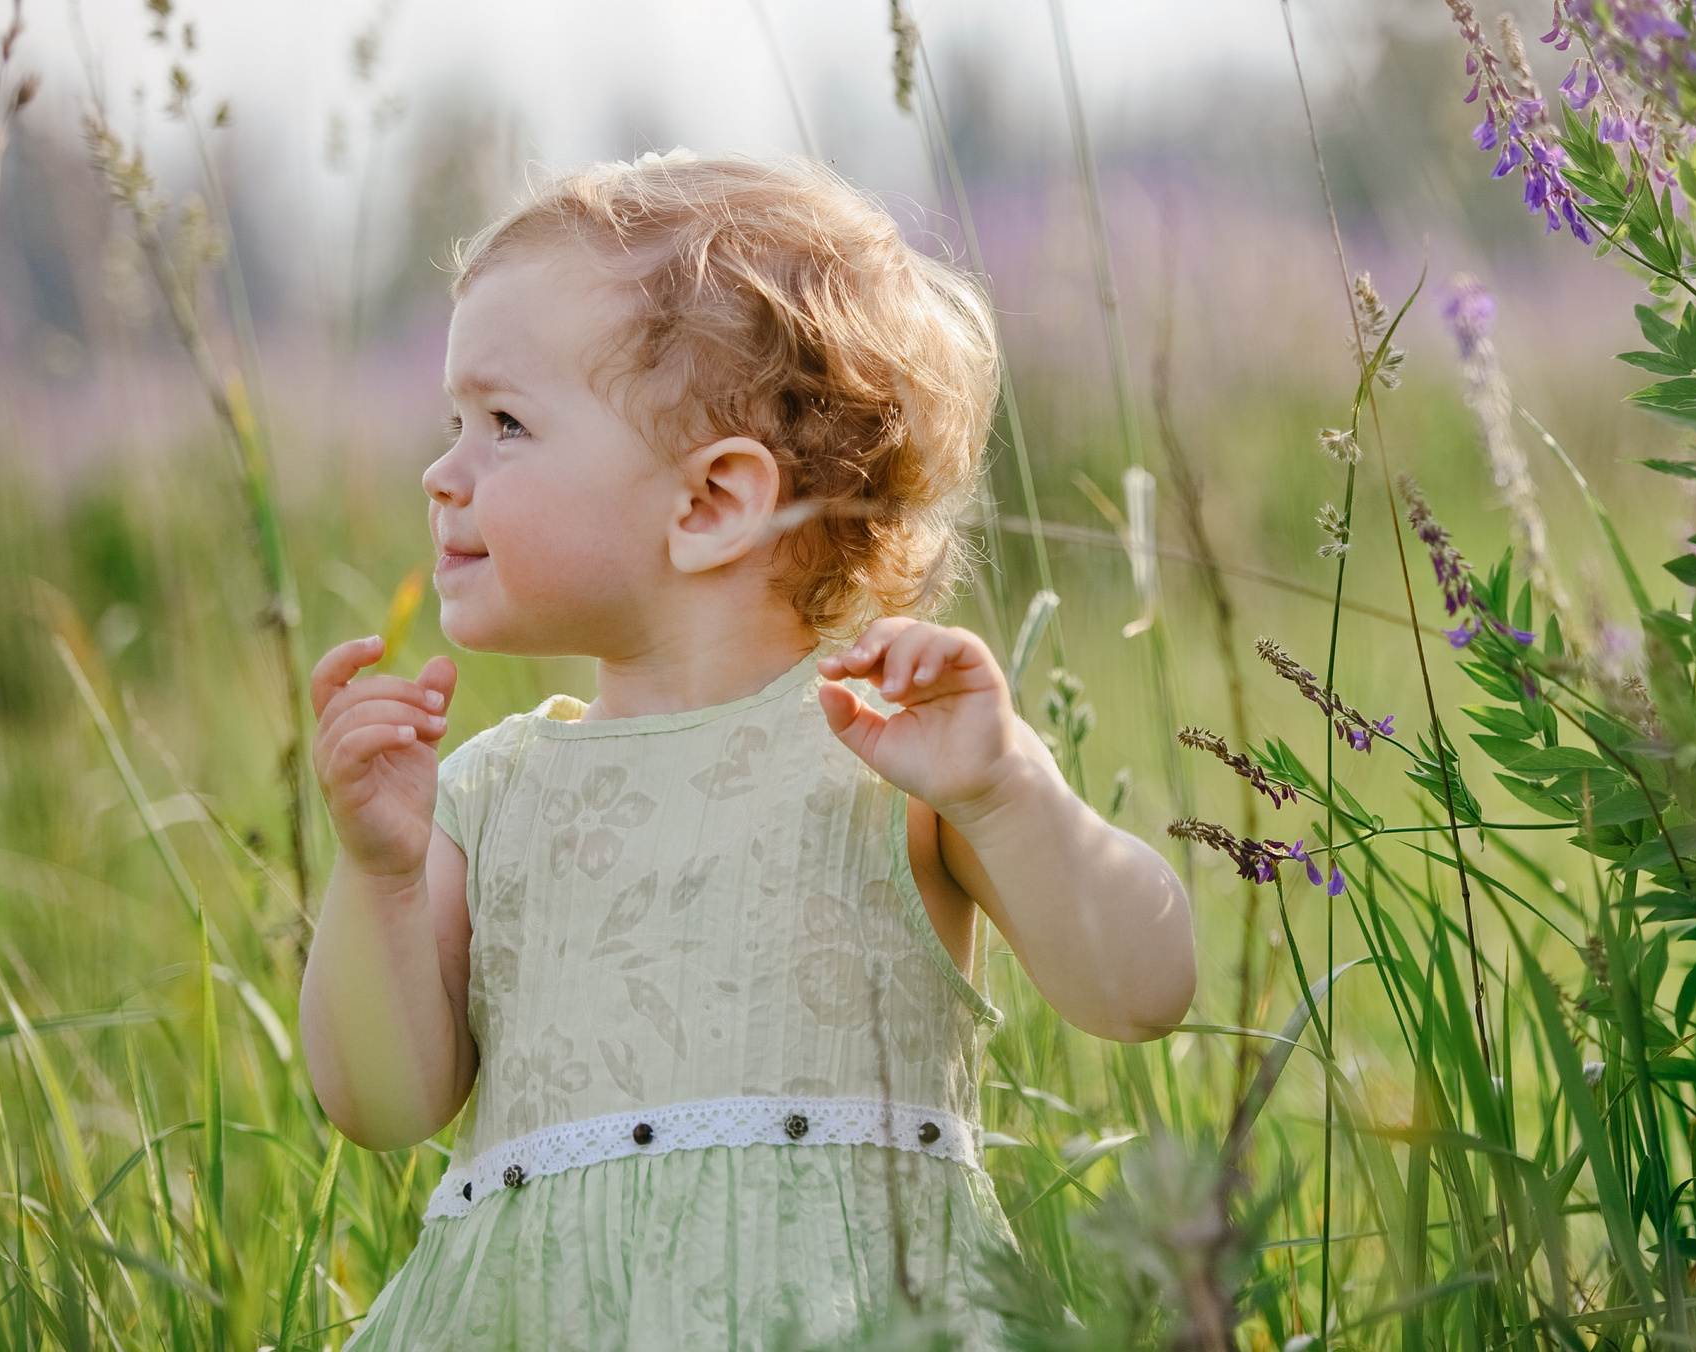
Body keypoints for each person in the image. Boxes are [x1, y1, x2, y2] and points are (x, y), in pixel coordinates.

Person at [299, 151, 1196, 1348]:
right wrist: (379, 875)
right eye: (452, 420)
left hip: (855, 1310)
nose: (441, 472)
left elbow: (1142, 989)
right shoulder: (488, 796)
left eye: (505, 423)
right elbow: (381, 1102)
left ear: (714, 502)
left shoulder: (895, 751)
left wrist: (1006, 790)